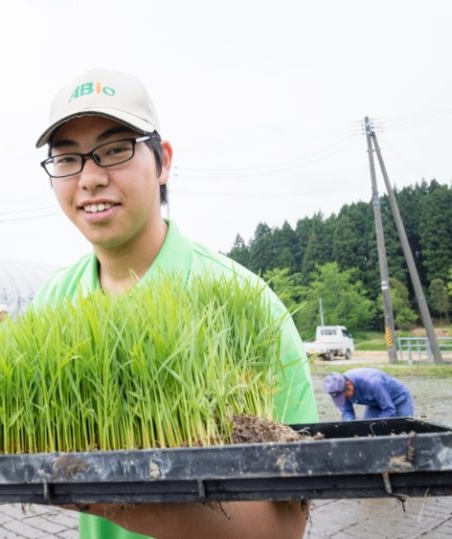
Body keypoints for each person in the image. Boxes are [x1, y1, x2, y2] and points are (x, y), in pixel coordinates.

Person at [31, 68, 318, 539]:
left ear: (162, 160)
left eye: (115, 149)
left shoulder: (246, 307)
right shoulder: (53, 303)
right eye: (67, 159)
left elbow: (286, 526)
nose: (91, 178)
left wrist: (106, 495)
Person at [323, 368, 414, 421]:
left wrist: (380, 426)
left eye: (345, 396)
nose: (344, 399)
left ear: (348, 384)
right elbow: (347, 412)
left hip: (398, 399)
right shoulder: (339, 388)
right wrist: (350, 426)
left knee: (402, 429)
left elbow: (389, 410)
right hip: (374, 403)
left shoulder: (373, 382)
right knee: (368, 428)